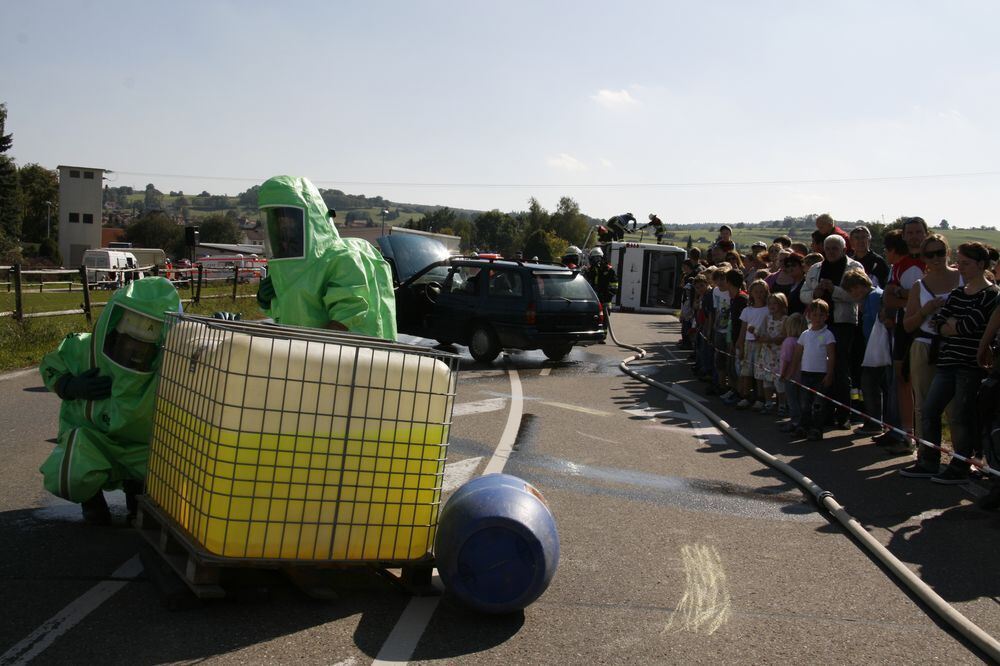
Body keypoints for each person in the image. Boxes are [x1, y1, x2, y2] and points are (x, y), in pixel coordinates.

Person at [38, 277, 182, 524]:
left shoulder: (171, 361)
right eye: (128, 341)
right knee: (69, 472)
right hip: (94, 440)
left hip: (144, 448)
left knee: (170, 488)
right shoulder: (83, 348)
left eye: (143, 346)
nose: (134, 351)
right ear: (113, 327)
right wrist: (71, 386)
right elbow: (51, 366)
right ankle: (91, 499)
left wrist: (224, 332)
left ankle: (138, 494)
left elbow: (208, 358)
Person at [901, 243, 1000, 483]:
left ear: (980, 265)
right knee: (929, 410)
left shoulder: (991, 295)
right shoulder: (958, 293)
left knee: (961, 415)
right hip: (947, 361)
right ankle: (929, 460)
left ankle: (961, 465)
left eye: (965, 263)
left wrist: (953, 325)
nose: (961, 267)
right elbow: (941, 325)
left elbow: (967, 325)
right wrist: (954, 325)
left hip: (969, 364)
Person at [256, 175, 396, 340]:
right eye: (277, 221)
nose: (283, 230)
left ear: (312, 218)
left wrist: (312, 349)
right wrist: (267, 301)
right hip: (301, 356)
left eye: (290, 221)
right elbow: (293, 311)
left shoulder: (342, 259)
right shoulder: (286, 264)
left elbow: (347, 316)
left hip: (346, 356)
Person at [901, 234, 961, 452]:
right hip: (925, 346)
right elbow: (907, 325)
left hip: (957, 347)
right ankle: (926, 454)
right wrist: (925, 312)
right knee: (924, 405)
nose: (936, 258)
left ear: (948, 252)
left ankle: (962, 457)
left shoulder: (963, 278)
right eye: (930, 254)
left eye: (940, 252)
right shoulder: (919, 286)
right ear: (923, 258)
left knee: (957, 406)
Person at [800, 234, 864, 427]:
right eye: (828, 248)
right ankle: (824, 413)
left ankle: (844, 414)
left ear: (844, 249)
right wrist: (815, 293)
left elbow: (858, 294)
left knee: (840, 367)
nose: (831, 252)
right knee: (820, 368)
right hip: (818, 324)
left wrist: (833, 289)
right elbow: (804, 294)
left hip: (843, 324)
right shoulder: (815, 268)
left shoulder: (854, 267)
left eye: (835, 248)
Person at [877, 229, 925, 450]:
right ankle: (907, 435)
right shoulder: (898, 266)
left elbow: (925, 299)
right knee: (902, 378)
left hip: (924, 331)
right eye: (909, 233)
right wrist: (906, 296)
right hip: (903, 328)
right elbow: (888, 298)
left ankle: (923, 440)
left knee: (920, 384)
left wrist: (903, 294)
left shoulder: (922, 265)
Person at [844, 270, 890, 437]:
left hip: (878, 348)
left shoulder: (874, 297)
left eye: (856, 288)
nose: (854, 293)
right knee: (874, 384)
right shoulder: (868, 300)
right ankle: (878, 420)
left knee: (870, 383)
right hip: (874, 348)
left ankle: (875, 421)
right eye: (851, 291)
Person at [790, 300, 837, 441]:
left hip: (820, 375)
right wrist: (793, 371)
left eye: (821, 315)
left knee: (818, 404)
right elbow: (797, 354)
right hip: (806, 373)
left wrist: (829, 374)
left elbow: (831, 355)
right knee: (805, 402)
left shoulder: (828, 335)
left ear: (826, 316)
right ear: (809, 315)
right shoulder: (805, 334)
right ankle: (803, 427)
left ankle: (817, 428)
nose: (817, 318)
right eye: (814, 315)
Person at [735, 279, 769, 409]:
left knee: (759, 373)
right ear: (751, 293)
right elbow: (743, 329)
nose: (759, 294)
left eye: (762, 292)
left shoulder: (767, 310)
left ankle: (761, 398)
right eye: (756, 291)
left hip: (762, 344)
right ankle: (745, 396)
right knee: (746, 372)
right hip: (748, 343)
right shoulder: (747, 310)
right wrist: (739, 343)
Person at [756, 292, 788, 414]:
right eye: (770, 303)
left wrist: (770, 339)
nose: (772, 306)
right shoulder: (767, 318)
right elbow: (761, 332)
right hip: (767, 354)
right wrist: (757, 334)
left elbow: (783, 336)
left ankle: (782, 405)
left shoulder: (785, 320)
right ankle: (768, 403)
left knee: (779, 382)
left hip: (779, 355)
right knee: (766, 381)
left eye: (775, 303)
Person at [777, 313, 807, 433]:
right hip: (802, 375)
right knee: (801, 400)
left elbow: (786, 360)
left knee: (792, 400)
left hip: (791, 376)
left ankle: (795, 421)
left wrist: (782, 374)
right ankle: (801, 420)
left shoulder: (789, 341)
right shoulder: (803, 340)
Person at [585, 246, 619, 311]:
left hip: (605, 301)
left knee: (605, 319)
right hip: (592, 299)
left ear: (602, 258)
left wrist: (607, 295)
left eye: (598, 258)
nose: (596, 260)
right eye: (594, 258)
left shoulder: (608, 270)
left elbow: (614, 285)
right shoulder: (589, 270)